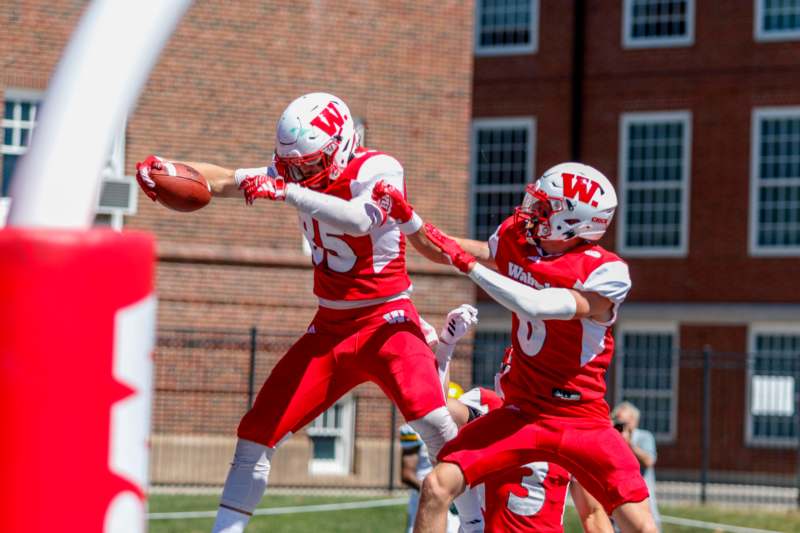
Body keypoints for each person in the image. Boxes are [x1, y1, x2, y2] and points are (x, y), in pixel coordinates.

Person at [135, 92, 481, 533]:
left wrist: (288, 190)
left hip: (387, 321)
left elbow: (359, 219)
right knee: (256, 431)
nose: (300, 173)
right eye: (293, 166)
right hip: (330, 327)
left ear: (342, 145)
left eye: (310, 164)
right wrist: (166, 167)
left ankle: (474, 523)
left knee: (434, 421)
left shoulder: (378, 167)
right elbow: (223, 179)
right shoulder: (294, 172)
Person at [370, 162, 658, 532]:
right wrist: (406, 220)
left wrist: (471, 268)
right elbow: (448, 249)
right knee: (436, 486)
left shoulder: (606, 272)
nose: (531, 214)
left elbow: (536, 304)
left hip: (581, 418)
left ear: (577, 223)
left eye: (544, 209)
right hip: (523, 411)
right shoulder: (518, 241)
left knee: (641, 525)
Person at [612, 401, 661, 531]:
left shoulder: (644, 437)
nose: (620, 426)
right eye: (617, 422)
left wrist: (629, 445)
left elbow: (649, 461)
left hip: (643, 501)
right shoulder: (612, 439)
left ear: (634, 421)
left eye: (623, 422)